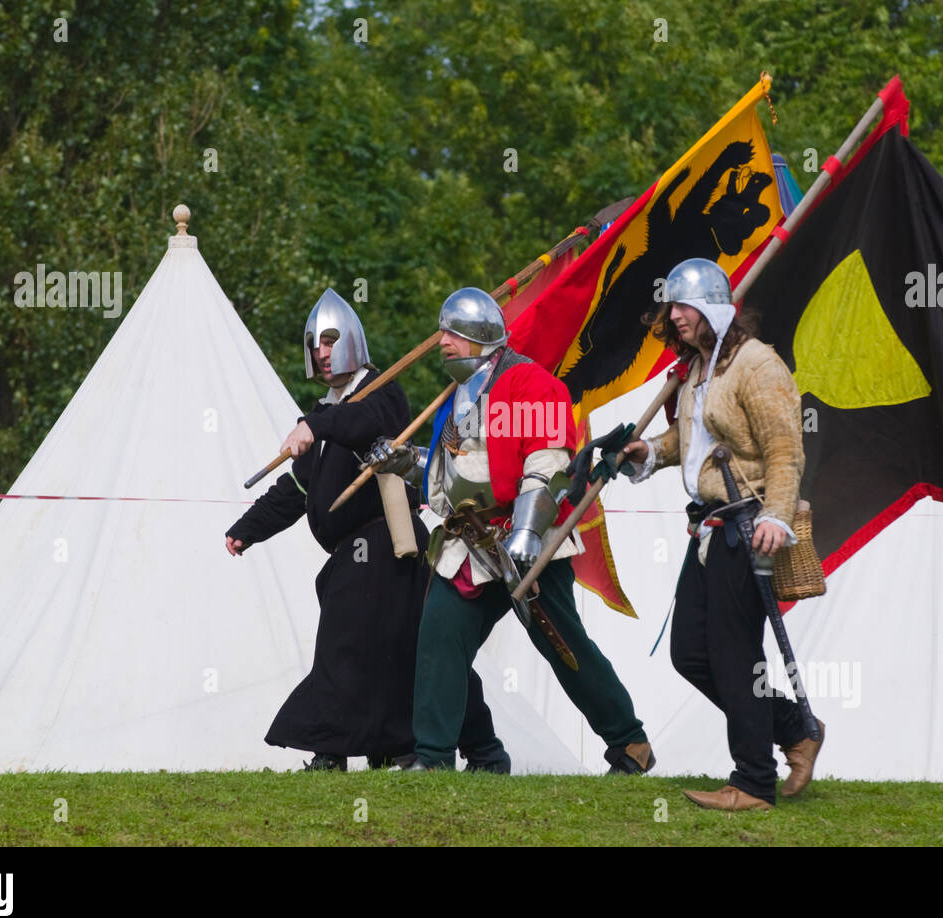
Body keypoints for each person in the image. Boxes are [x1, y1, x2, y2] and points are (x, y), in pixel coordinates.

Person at [369, 287, 655, 774]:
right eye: (442, 332)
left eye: (453, 333)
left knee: (563, 645)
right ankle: (434, 758)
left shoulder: (528, 383)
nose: (442, 342)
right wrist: (407, 461)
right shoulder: (457, 396)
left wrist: (527, 533)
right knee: (439, 637)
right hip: (468, 542)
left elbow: (547, 463)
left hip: (527, 540)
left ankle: (629, 742)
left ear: (482, 337)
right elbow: (454, 473)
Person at [224, 287, 508, 772]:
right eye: (315, 343)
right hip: (356, 557)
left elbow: (362, 423)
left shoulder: (380, 394)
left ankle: (335, 752)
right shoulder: (325, 415)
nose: (322, 351)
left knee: (349, 646)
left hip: (386, 547)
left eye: (331, 340)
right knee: (412, 652)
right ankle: (428, 748)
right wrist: (247, 529)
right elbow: (296, 489)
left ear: (352, 341)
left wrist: (317, 426)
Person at [622, 258, 824, 811]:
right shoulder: (695, 371)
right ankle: (793, 725)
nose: (675, 317)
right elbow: (690, 442)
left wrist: (776, 517)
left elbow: (786, 450)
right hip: (708, 527)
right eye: (672, 308)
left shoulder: (757, 365)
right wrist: (649, 454)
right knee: (690, 653)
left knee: (737, 656)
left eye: (684, 307)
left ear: (712, 308)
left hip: (746, 525)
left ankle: (754, 782)